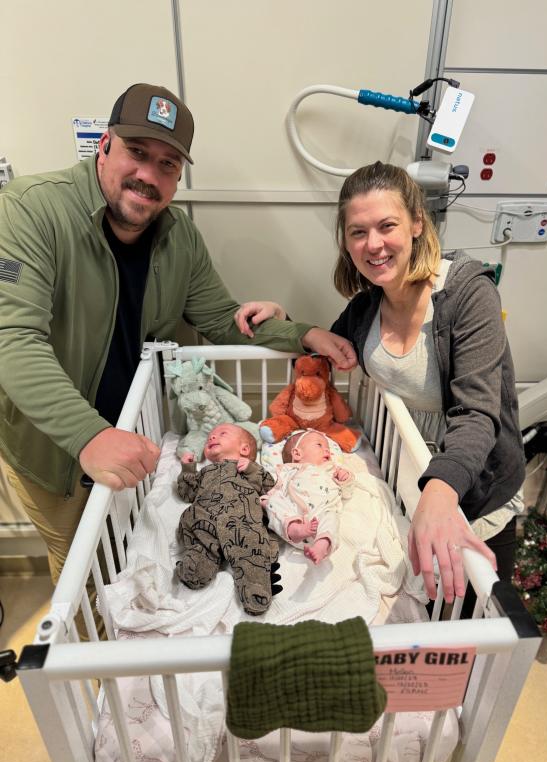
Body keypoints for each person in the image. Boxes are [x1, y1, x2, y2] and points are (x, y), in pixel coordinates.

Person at [0, 82, 356, 591]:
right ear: (104, 145)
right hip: (53, 447)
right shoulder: (29, 211)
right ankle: (98, 664)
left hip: (135, 433)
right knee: (83, 574)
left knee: (132, 557)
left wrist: (305, 333)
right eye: (137, 153)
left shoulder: (179, 236)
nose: (149, 175)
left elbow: (220, 317)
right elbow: (12, 340)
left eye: (168, 164)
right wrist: (89, 435)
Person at [237, 161, 525, 603]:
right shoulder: (366, 308)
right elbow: (325, 357)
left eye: (386, 225)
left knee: (471, 624)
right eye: (357, 232)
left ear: (416, 223)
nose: (374, 244)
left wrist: (440, 490)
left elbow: (477, 413)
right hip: (406, 475)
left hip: (473, 483)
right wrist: (285, 322)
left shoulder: (467, 295)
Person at [175, 423, 280, 615]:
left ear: (244, 449)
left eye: (222, 434)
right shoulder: (204, 472)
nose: (212, 438)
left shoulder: (248, 469)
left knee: (250, 547)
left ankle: (255, 588)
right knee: (200, 541)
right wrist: (188, 469)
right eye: (209, 438)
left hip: (241, 517)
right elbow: (187, 493)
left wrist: (251, 470)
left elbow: (269, 486)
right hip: (204, 517)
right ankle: (196, 568)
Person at [261, 429, 354, 564]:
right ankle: (294, 528)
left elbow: (347, 492)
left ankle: (322, 545)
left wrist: (345, 479)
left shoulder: (332, 469)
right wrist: (267, 502)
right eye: (319, 445)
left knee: (331, 516)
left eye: (328, 448)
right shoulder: (287, 470)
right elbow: (275, 489)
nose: (327, 451)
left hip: (321, 514)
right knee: (273, 501)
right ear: (297, 453)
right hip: (294, 519)